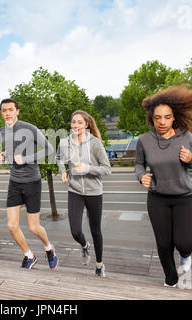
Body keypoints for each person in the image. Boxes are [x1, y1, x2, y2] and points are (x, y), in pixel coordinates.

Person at [134, 84, 192, 287]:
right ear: (152, 118)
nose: (162, 122)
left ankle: (185, 256)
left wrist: (190, 157)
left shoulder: (186, 136)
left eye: (167, 117)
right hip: (158, 198)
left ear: (174, 117)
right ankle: (171, 280)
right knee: (164, 245)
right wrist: (141, 176)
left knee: (185, 243)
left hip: (185, 197)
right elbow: (138, 164)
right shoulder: (144, 140)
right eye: (158, 117)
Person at [0, 98, 58, 270]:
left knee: (33, 227)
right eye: (4, 110)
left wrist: (25, 159)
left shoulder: (30, 128)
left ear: (17, 111)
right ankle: (29, 255)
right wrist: (3, 155)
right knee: (11, 225)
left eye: (10, 110)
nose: (7, 113)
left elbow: (49, 150)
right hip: (14, 182)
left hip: (32, 182)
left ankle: (49, 248)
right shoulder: (1, 132)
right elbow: (11, 151)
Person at [57, 110, 111, 276]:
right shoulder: (65, 143)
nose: (76, 125)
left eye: (80, 122)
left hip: (94, 192)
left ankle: (99, 265)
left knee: (96, 230)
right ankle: (85, 245)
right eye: (73, 122)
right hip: (75, 190)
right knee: (75, 231)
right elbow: (59, 158)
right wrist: (63, 171)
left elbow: (107, 169)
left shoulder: (94, 143)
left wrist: (88, 168)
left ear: (87, 125)